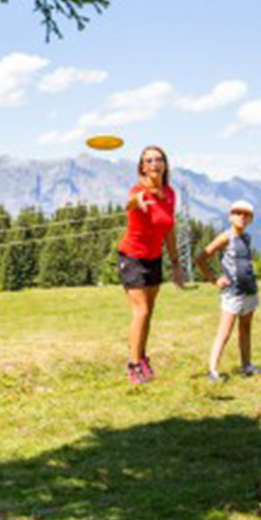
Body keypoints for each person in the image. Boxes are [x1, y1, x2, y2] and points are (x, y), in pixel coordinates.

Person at [116, 144, 187, 384]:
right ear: (142, 168)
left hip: (154, 258)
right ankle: (134, 365)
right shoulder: (137, 191)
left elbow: (169, 230)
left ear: (164, 165)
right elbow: (130, 203)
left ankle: (142, 357)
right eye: (149, 161)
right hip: (132, 257)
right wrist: (138, 202)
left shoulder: (170, 194)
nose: (154, 164)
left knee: (149, 313)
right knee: (141, 311)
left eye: (158, 159)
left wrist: (175, 264)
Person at [197, 199, 261, 380]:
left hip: (249, 290)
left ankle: (247, 365)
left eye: (246, 215)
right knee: (224, 332)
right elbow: (201, 258)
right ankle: (213, 371)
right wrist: (214, 279)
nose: (242, 217)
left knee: (246, 329)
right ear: (230, 216)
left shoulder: (247, 237)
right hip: (233, 292)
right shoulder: (225, 237)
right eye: (238, 213)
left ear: (251, 219)